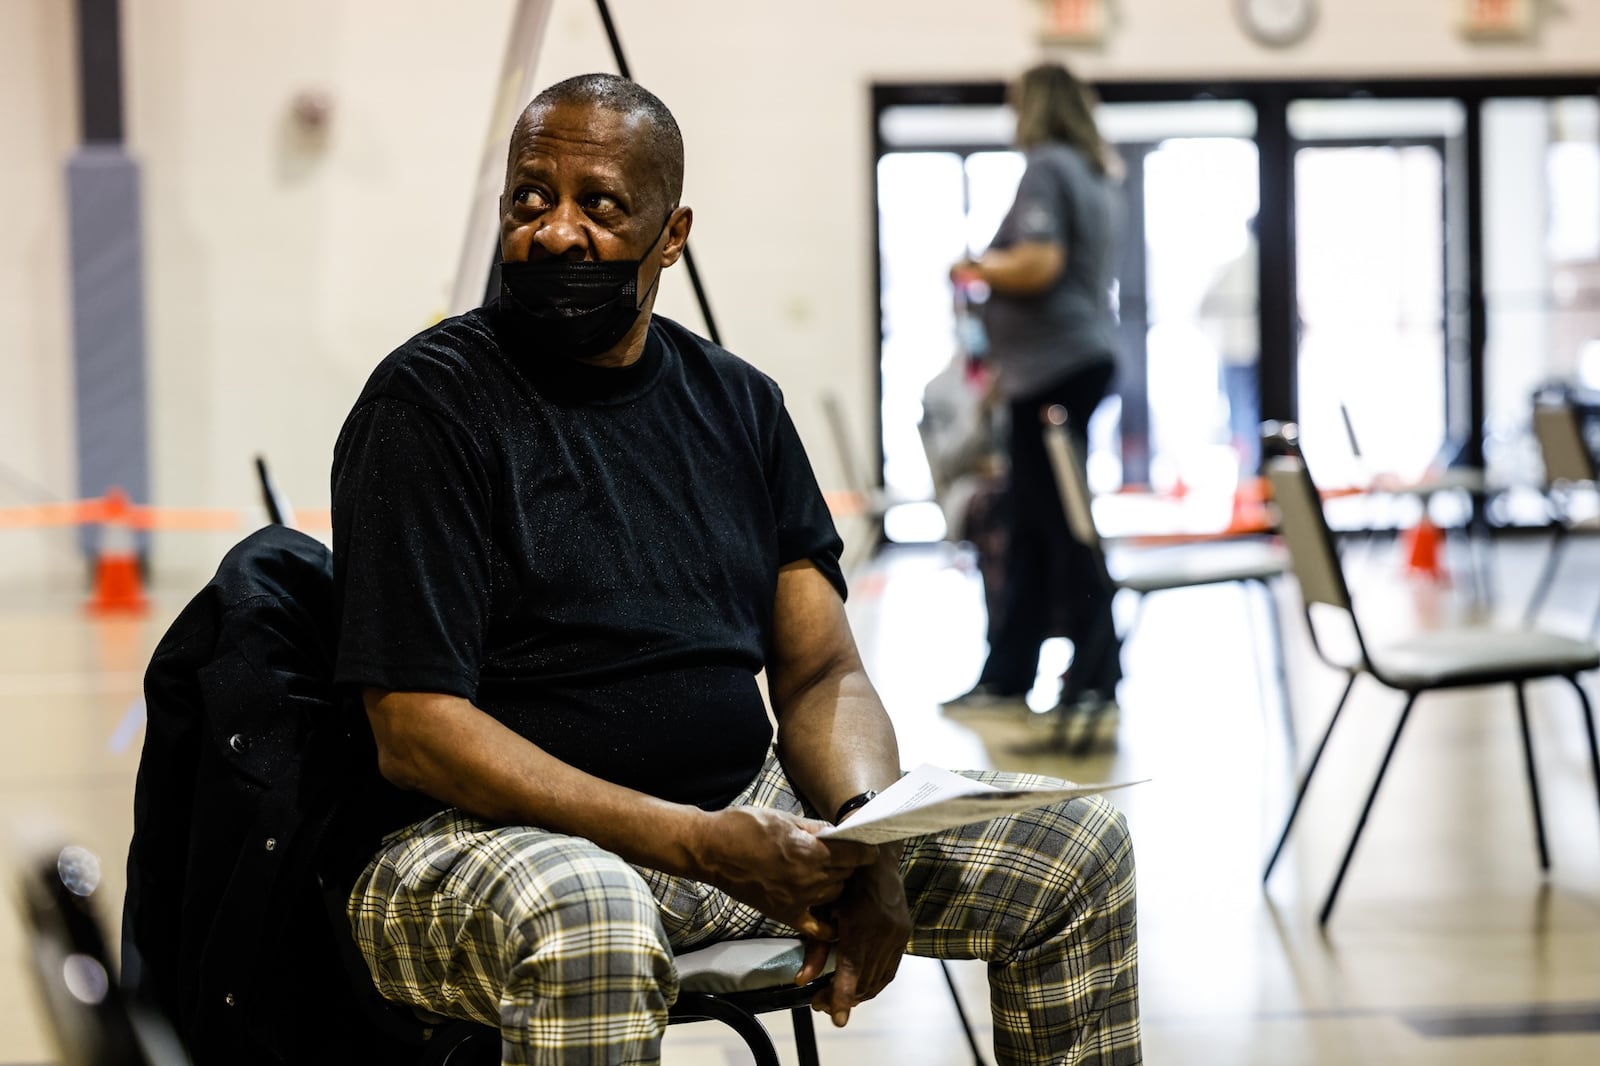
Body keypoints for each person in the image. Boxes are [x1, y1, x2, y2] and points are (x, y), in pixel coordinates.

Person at [329, 73, 1140, 1066]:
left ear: (671, 235)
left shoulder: (738, 406)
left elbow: (821, 674)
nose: (555, 233)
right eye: (529, 199)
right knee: (595, 921)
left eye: (601, 205)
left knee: (1077, 851)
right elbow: (418, 732)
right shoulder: (429, 404)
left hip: (732, 824)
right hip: (471, 846)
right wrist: (690, 839)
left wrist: (865, 837)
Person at [943, 62, 1125, 745]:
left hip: (1057, 371)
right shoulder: (1094, 173)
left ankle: (1097, 674)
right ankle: (1010, 673)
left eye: (1017, 103)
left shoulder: (1048, 166)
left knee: (1059, 526)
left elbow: (1041, 262)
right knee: (1031, 526)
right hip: (1050, 369)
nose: (1011, 116)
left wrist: (974, 267)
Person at [1199, 218, 1261, 475]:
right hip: (1244, 355)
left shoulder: (1236, 266)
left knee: (1241, 418)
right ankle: (1251, 476)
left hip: (1237, 355)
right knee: (1248, 418)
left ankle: (1249, 476)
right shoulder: (1262, 265)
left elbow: (1203, 308)